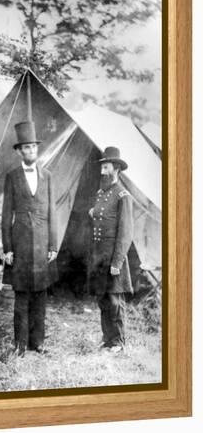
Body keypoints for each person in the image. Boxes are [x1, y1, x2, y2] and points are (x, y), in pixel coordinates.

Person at [1, 121, 58, 356]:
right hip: (21, 244)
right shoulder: (12, 177)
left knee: (41, 297)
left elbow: (53, 212)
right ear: (19, 151)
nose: (30, 151)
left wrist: (53, 245)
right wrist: (7, 248)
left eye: (33, 147)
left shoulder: (48, 176)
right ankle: (20, 344)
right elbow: (6, 215)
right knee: (22, 297)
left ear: (37, 150)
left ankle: (38, 342)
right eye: (25, 148)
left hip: (43, 245)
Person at [88, 146, 134, 353]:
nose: (102, 171)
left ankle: (118, 342)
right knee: (103, 298)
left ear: (116, 169)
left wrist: (117, 261)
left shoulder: (122, 195)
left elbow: (125, 233)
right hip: (99, 256)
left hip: (113, 256)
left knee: (115, 301)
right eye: (101, 167)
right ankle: (108, 339)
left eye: (105, 167)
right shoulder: (100, 194)